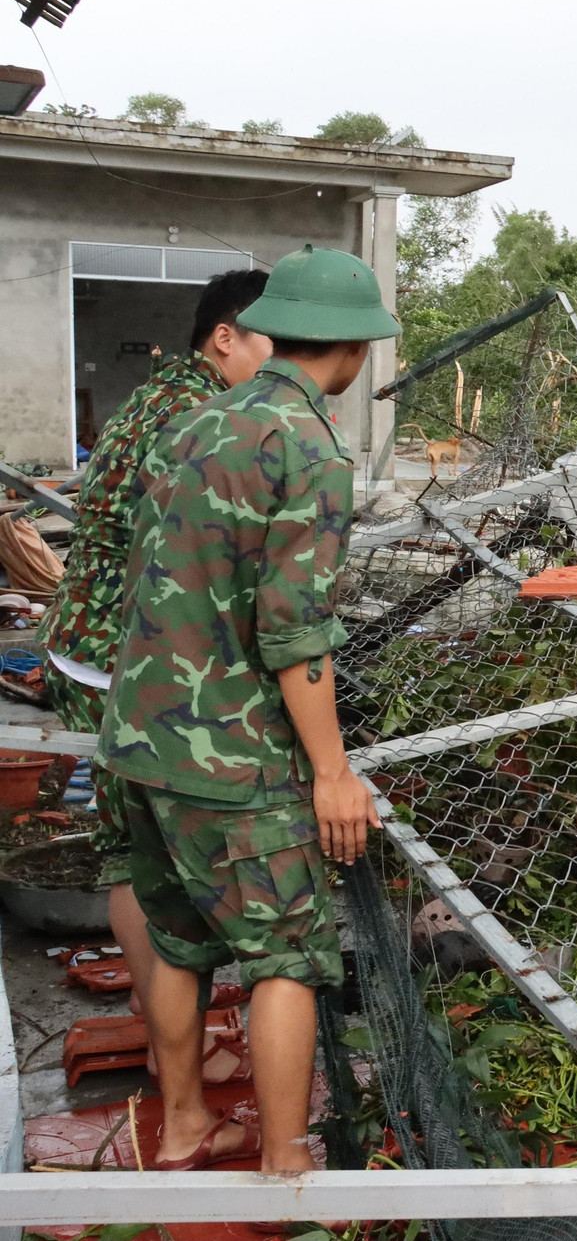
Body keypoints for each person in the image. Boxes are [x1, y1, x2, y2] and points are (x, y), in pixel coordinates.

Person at [96, 245, 394, 1176]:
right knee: (286, 958)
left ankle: (184, 1123)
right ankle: (287, 1164)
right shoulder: (308, 447)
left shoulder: (196, 420)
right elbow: (295, 634)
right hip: (231, 758)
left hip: (138, 739)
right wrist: (334, 774)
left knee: (178, 939)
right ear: (350, 349)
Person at [39, 269, 272, 1070]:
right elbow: (187, 555)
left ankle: (168, 1021)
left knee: (137, 848)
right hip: (118, 651)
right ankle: (178, 1046)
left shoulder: (167, 393)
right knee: (141, 857)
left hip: (104, 637)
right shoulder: (195, 414)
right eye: (273, 341)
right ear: (225, 338)